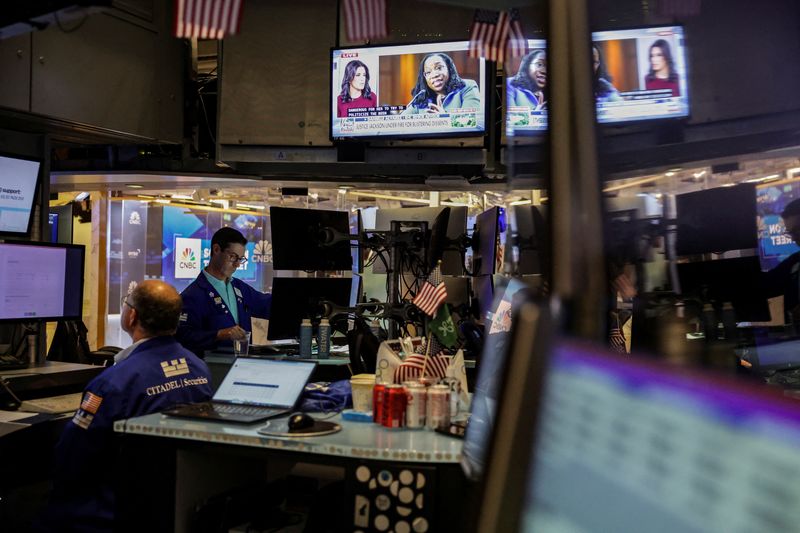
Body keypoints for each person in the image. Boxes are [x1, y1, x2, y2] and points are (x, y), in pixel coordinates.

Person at [40, 280, 213, 532]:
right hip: (170, 503)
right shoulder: (200, 368)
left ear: (132, 316)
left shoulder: (113, 383)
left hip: (111, 510)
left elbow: (71, 457)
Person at [176, 227, 271, 358]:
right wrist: (218, 334)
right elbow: (184, 337)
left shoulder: (240, 288)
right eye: (233, 257)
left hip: (242, 365)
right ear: (216, 250)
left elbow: (268, 304)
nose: (237, 264)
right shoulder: (192, 295)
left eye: (241, 259)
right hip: (212, 369)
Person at [402, 52, 480, 114]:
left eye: (439, 68)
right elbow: (401, 123)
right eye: (428, 72)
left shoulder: (467, 87)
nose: (434, 75)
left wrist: (444, 117)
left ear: (449, 69)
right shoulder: (421, 97)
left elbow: (473, 122)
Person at [761, 198, 800, 322]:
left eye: (797, 230)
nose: (794, 238)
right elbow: (767, 283)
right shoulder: (795, 263)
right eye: (790, 233)